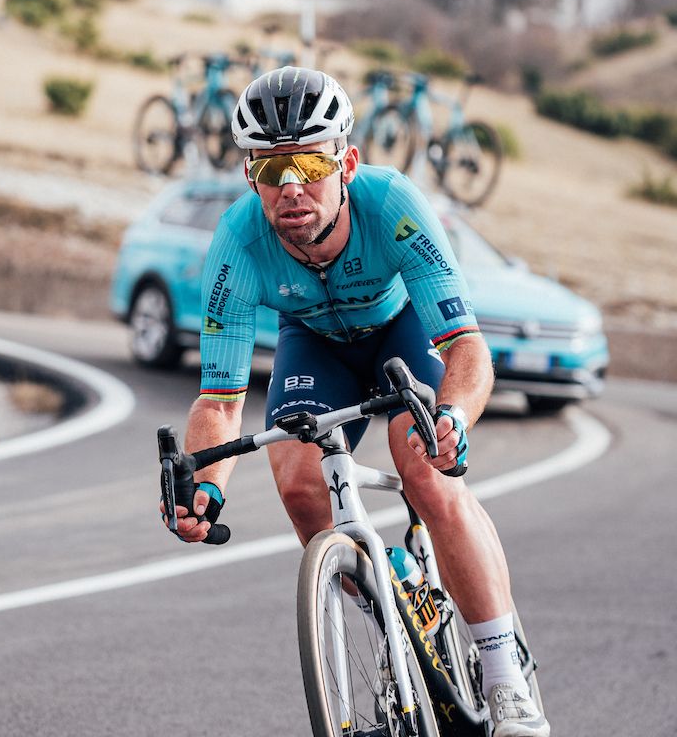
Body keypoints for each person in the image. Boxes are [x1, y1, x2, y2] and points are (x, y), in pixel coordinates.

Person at [167, 67, 549, 737]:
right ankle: (394, 589)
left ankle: (505, 674)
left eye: (310, 162)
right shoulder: (235, 245)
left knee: (424, 466)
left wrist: (453, 418)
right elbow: (220, 403)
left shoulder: (392, 204)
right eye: (270, 168)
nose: (290, 187)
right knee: (295, 481)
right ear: (250, 176)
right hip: (312, 344)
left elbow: (467, 350)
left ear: (346, 161)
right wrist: (202, 486)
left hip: (402, 336)